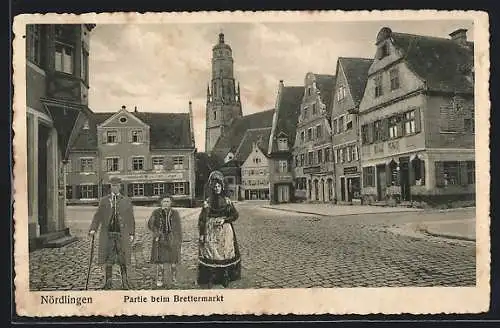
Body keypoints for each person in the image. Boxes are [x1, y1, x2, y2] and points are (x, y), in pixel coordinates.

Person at [88, 176, 135, 290]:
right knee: (108, 258)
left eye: (117, 185)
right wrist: (93, 229)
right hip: (108, 234)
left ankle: (125, 282)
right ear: (110, 186)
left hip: (121, 235)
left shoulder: (126, 201)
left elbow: (130, 218)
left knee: (122, 258)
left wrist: (132, 233)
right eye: (112, 186)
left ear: (120, 186)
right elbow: (97, 216)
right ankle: (108, 282)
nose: (114, 188)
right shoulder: (104, 200)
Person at [197, 170, 241, 288]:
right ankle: (211, 278)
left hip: (225, 231)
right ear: (212, 187)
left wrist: (225, 220)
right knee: (211, 253)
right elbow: (202, 219)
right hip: (211, 231)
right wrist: (202, 233)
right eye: (214, 186)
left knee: (225, 253)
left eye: (219, 186)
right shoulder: (207, 202)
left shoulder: (227, 201)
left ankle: (225, 276)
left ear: (222, 187)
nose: (217, 188)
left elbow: (235, 215)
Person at [147, 194, 182, 287]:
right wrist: (156, 232)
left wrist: (178, 240)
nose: (166, 203)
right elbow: (150, 224)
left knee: (173, 260)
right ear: (161, 202)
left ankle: (174, 278)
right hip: (160, 238)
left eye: (168, 201)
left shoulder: (175, 213)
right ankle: (160, 278)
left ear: (171, 203)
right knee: (160, 261)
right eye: (164, 201)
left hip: (172, 238)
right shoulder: (156, 212)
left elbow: (178, 227)